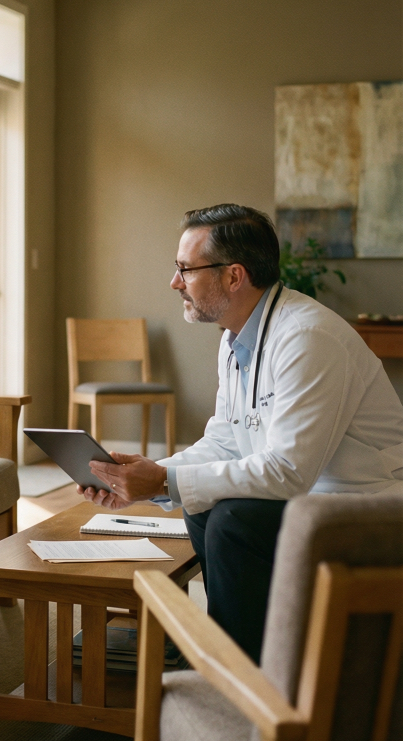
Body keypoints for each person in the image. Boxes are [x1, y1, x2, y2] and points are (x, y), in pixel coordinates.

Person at [78, 204, 403, 662]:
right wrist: (149, 475)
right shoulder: (236, 337)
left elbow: (289, 470)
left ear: (234, 276)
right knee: (202, 505)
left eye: (185, 269)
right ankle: (242, 649)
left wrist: (164, 482)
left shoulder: (309, 337)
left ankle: (240, 669)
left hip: (367, 508)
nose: (175, 283)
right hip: (315, 500)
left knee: (233, 521)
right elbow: (224, 441)